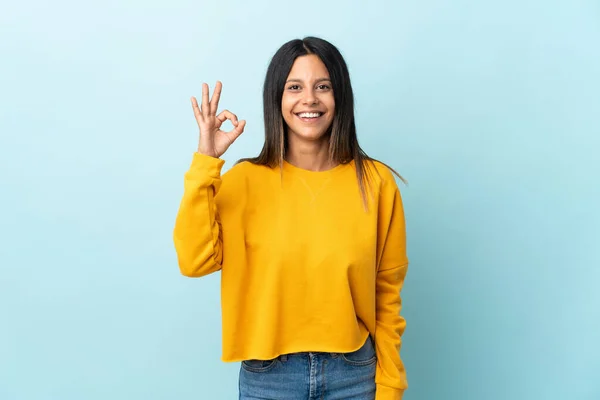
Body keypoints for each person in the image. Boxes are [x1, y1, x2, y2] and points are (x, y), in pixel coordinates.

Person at [173, 36, 410, 400]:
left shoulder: (376, 182)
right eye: (294, 87)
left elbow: (387, 293)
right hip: (269, 378)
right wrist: (206, 161)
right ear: (277, 100)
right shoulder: (243, 181)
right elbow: (194, 261)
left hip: (355, 375)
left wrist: (391, 385)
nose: (309, 99)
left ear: (340, 97)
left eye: (323, 87)